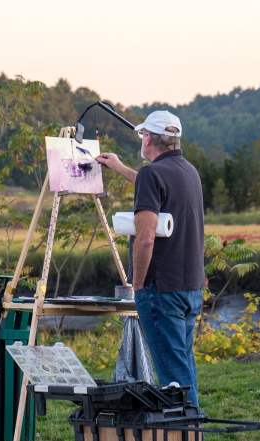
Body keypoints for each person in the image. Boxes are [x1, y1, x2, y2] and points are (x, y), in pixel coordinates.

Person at [96, 110, 205, 407]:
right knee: (184, 369)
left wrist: (139, 284)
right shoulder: (187, 171)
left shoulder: (152, 174)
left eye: (143, 135)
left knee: (173, 380)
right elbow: (154, 186)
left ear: (148, 138)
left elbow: (145, 238)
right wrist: (120, 168)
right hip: (190, 288)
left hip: (161, 290)